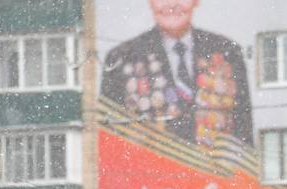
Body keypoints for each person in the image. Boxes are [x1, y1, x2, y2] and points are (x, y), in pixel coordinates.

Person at [100, 0, 253, 147]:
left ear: (196, 0)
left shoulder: (227, 52)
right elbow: (110, 138)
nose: (172, 4)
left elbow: (244, 135)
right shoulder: (123, 58)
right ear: (150, 1)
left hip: (213, 164)